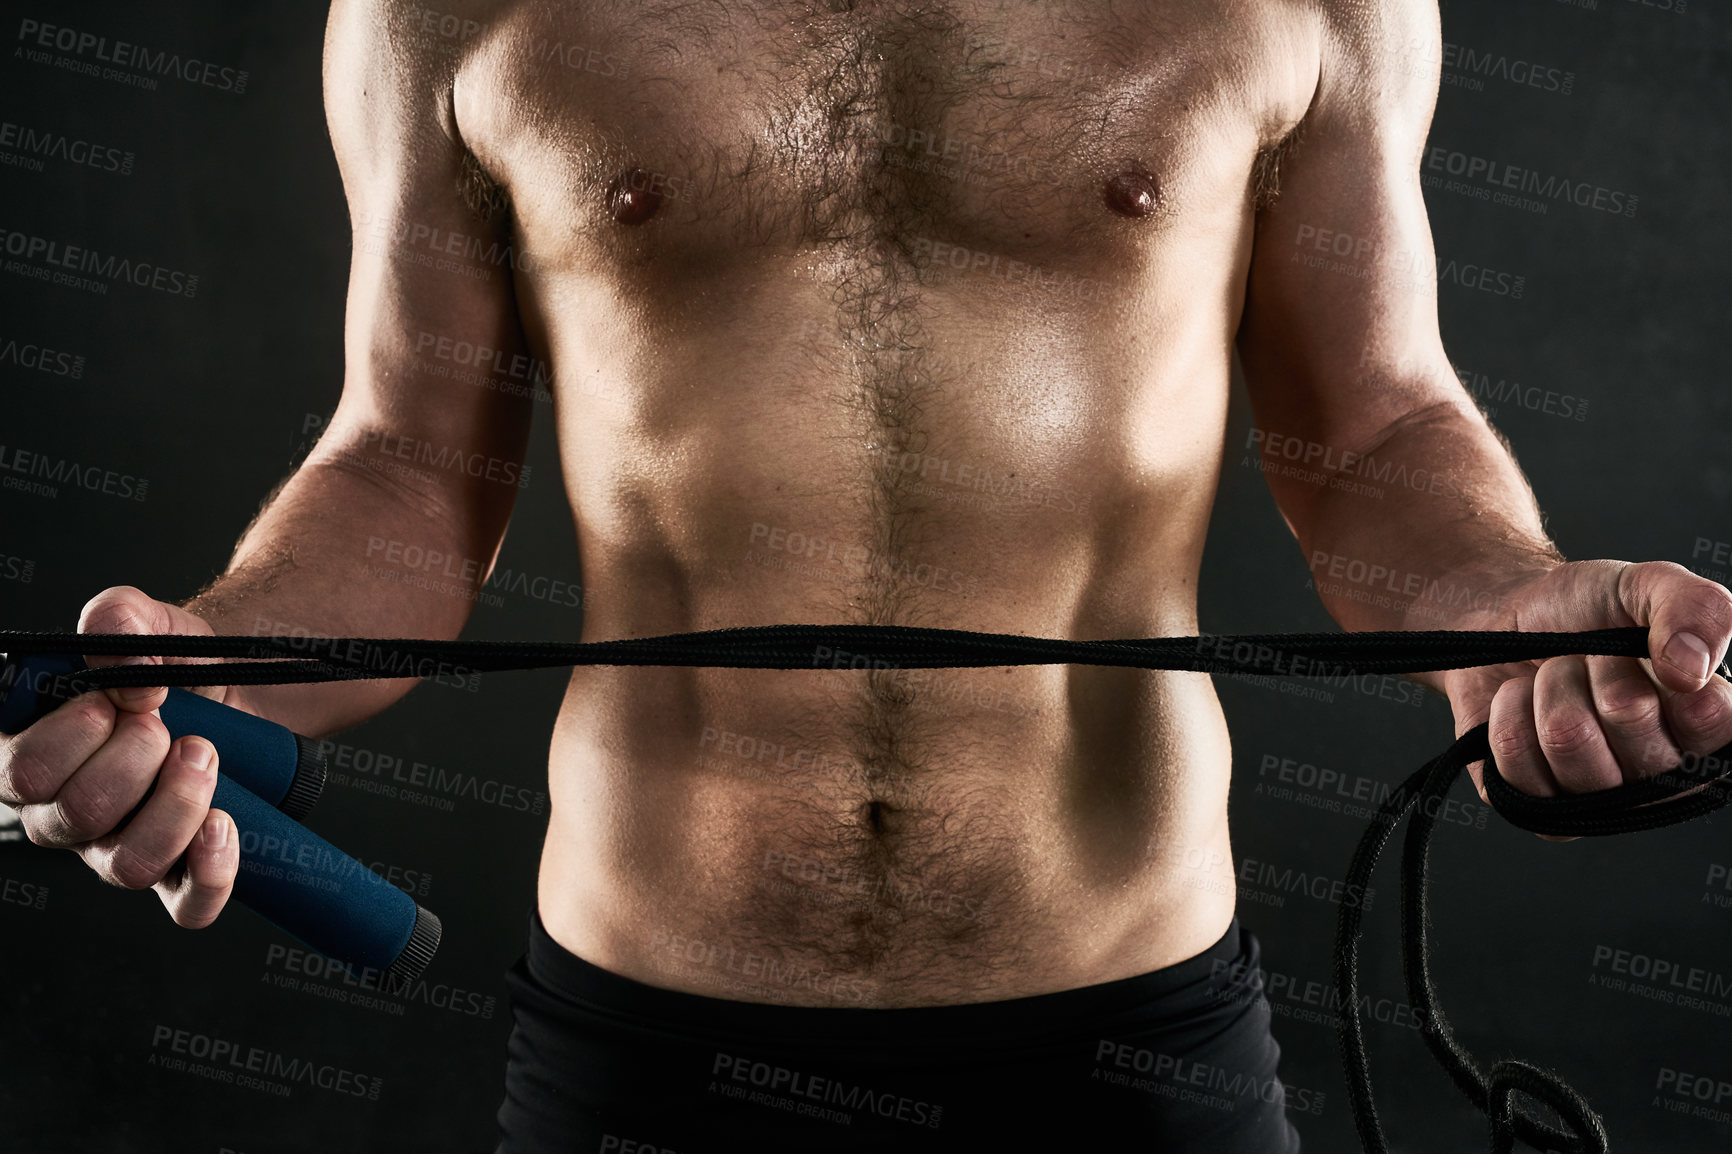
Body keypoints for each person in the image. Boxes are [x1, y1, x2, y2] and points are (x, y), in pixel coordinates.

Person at [4, 0, 1730, 1149]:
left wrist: (1502, 602)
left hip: (1132, 1034)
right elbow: (404, 462)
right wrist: (213, 662)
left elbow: (1379, 420)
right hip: (648, 1037)